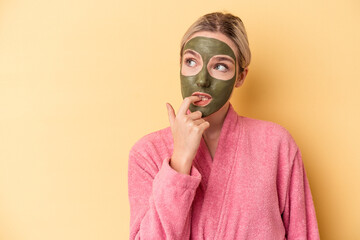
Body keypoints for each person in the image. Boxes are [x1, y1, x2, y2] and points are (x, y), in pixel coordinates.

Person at [128, 12, 320, 239]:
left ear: (240, 77)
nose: (201, 80)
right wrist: (179, 162)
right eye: (191, 62)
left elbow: (303, 234)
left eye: (220, 66)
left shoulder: (276, 144)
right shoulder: (146, 153)